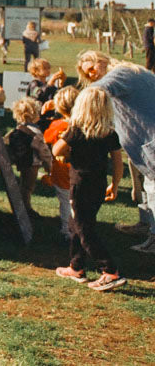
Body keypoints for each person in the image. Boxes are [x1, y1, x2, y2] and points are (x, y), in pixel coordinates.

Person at [77, 50, 155, 254]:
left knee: (153, 190)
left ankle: (154, 238)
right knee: (147, 188)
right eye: (87, 74)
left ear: (102, 61)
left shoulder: (120, 74)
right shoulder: (131, 73)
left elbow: (98, 89)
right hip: (145, 144)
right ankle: (146, 224)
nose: (92, 75)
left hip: (151, 142)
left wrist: (74, 107)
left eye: (92, 68)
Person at [51, 87, 127, 291]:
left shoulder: (76, 130)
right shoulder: (109, 133)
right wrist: (116, 184)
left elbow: (56, 149)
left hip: (81, 185)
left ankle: (109, 270)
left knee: (84, 229)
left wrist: (66, 148)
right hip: (99, 184)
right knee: (77, 223)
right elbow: (118, 162)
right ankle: (76, 267)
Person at [42, 86, 78, 240]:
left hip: (62, 171)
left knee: (65, 202)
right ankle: (79, 229)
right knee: (77, 202)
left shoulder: (57, 125)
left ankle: (67, 230)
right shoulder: (81, 125)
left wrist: (45, 114)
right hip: (79, 170)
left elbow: (46, 137)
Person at [8, 98, 51, 218]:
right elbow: (42, 149)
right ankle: (25, 209)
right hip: (32, 163)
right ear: (33, 115)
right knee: (28, 187)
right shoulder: (35, 131)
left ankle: (22, 206)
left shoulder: (18, 129)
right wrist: (49, 164)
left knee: (24, 184)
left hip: (22, 162)